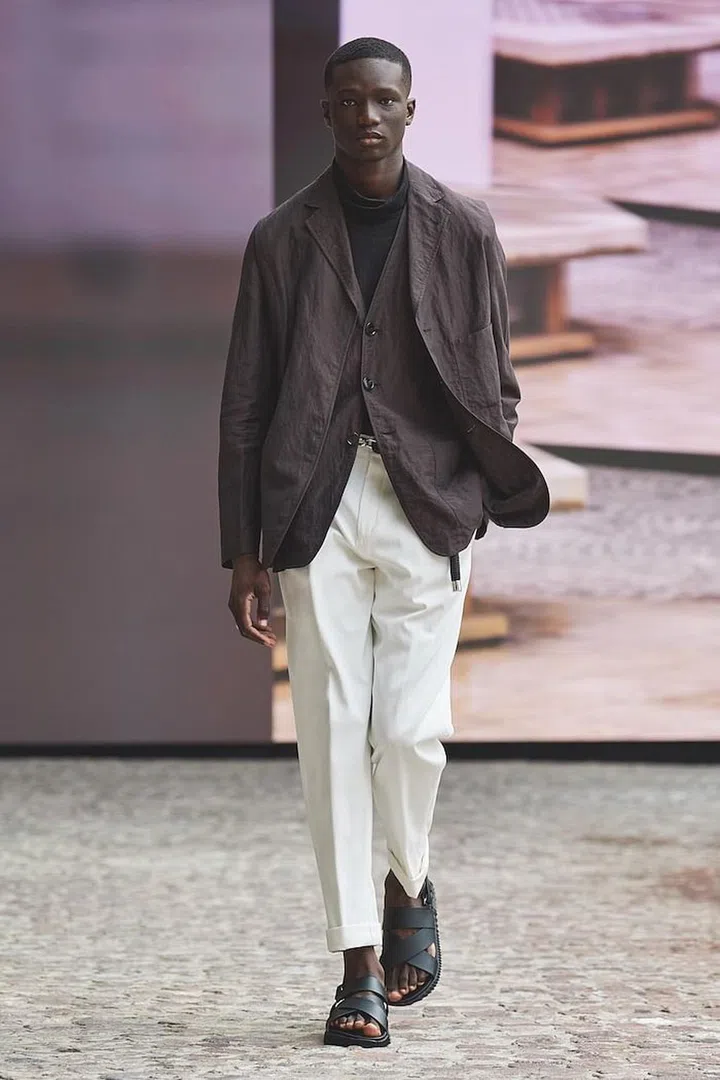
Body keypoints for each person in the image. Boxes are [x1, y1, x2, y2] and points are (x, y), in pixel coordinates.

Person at [219, 36, 549, 1048]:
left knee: (408, 733)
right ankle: (356, 962)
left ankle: (410, 878)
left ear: (411, 109)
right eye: (349, 101)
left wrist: (469, 482)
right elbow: (245, 403)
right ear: (326, 112)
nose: (366, 116)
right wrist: (243, 551)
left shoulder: (465, 228)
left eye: (384, 100)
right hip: (311, 505)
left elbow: (497, 378)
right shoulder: (281, 238)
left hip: (425, 505)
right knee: (330, 734)